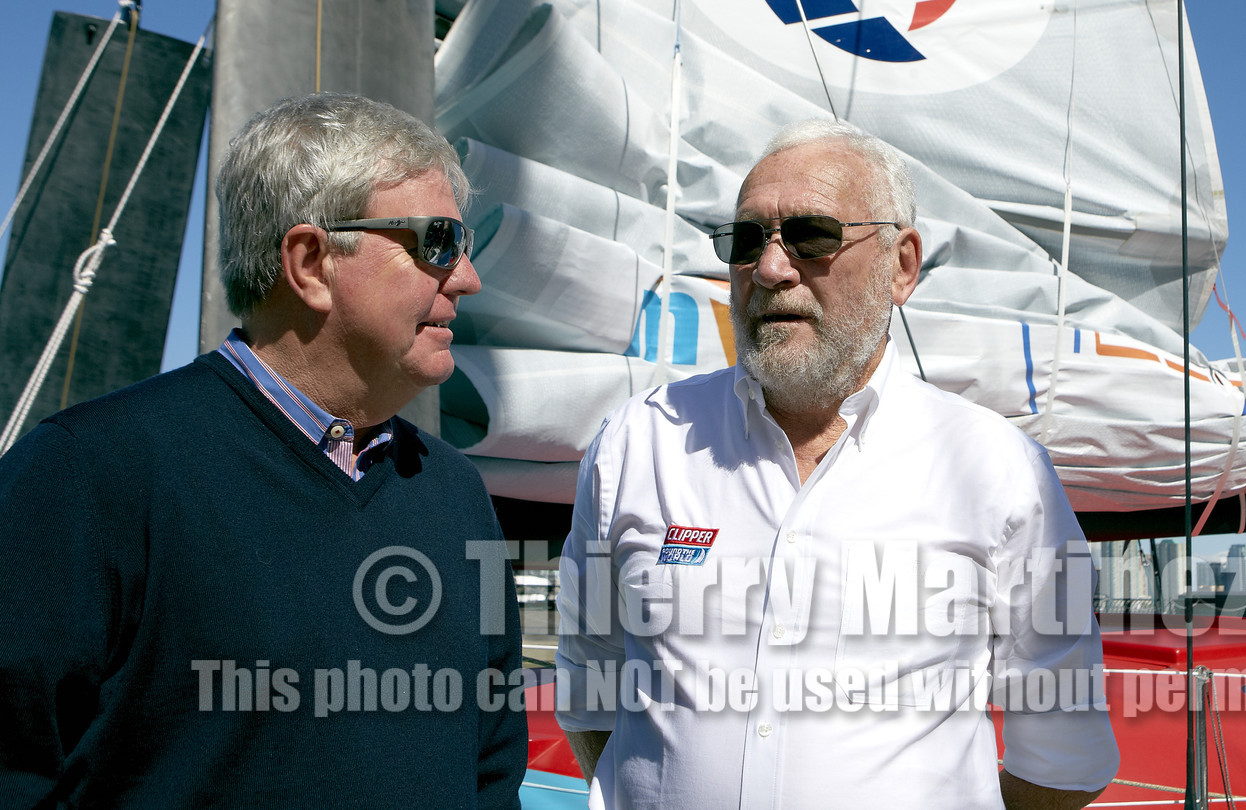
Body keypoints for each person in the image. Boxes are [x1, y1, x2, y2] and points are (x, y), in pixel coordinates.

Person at [555, 120, 1118, 809]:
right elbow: (590, 683)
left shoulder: (1000, 471)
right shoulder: (636, 444)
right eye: (747, 240)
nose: (770, 268)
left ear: (901, 266)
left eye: (810, 235)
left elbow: (1063, 758)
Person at [0, 94, 527, 807]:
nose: (467, 278)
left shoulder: (457, 495)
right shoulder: (83, 477)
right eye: (439, 242)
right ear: (310, 263)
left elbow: (492, 769)